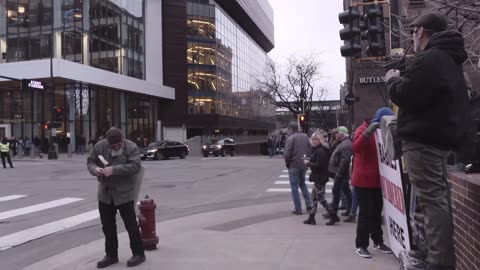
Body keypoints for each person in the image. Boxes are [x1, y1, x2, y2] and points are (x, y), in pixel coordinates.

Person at [386, 13, 470, 270]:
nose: (413, 37)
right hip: (438, 140)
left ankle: (439, 261)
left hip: (423, 142)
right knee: (435, 200)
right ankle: (435, 254)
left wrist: (392, 81)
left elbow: (407, 95)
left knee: (433, 201)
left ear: (420, 31)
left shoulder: (430, 59)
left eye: (413, 32)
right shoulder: (448, 60)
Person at [87, 127, 146, 268]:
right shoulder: (100, 146)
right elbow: (90, 161)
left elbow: (135, 166)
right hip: (105, 194)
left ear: (122, 140)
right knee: (107, 227)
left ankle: (139, 253)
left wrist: (113, 170)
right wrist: (95, 170)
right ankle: (111, 255)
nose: (116, 147)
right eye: (113, 145)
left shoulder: (131, 147)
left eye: (118, 145)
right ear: (107, 142)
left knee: (131, 225)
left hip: (124, 193)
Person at [351, 108, 394, 258]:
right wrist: (368, 132)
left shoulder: (384, 131)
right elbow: (355, 147)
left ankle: (378, 240)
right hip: (364, 180)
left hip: (378, 179)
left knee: (376, 212)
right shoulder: (362, 130)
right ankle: (361, 244)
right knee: (366, 213)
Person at [303, 131, 334, 225]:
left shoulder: (320, 151)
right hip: (318, 177)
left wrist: (308, 163)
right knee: (314, 198)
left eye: (316, 139)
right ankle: (311, 218)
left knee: (320, 199)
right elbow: (317, 162)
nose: (314, 141)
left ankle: (333, 216)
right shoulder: (317, 150)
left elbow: (319, 165)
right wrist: (309, 159)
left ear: (320, 140)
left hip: (320, 178)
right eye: (313, 139)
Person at [283, 122, 313, 215]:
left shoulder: (291, 138)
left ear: (291, 129)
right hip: (303, 164)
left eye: (288, 129)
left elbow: (287, 153)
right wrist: (307, 163)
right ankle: (309, 205)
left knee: (294, 187)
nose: (287, 131)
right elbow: (309, 151)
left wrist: (287, 164)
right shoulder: (306, 137)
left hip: (293, 165)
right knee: (303, 184)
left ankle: (298, 209)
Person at [326, 126, 352, 225]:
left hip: (340, 173)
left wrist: (338, 173)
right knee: (346, 191)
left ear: (342, 134)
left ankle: (334, 216)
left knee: (336, 193)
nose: (336, 135)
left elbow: (345, 161)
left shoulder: (345, 145)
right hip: (341, 173)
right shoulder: (343, 143)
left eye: (337, 133)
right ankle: (350, 210)